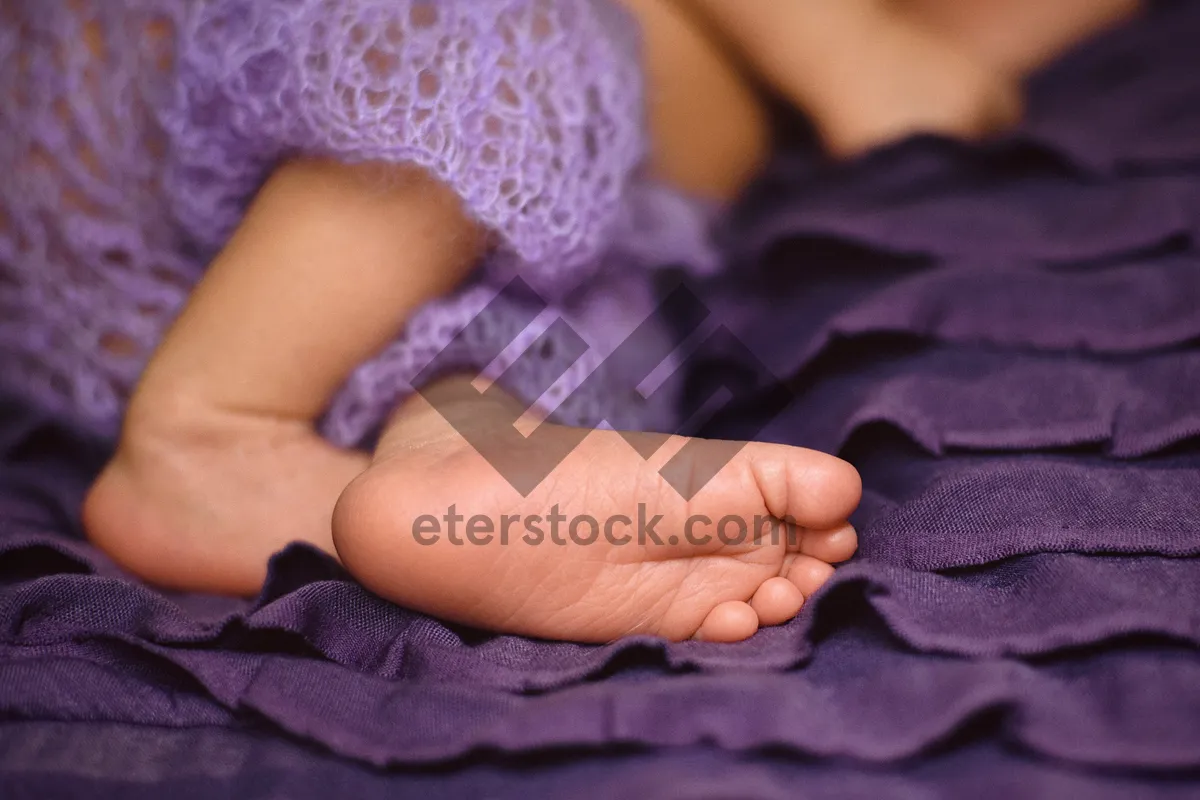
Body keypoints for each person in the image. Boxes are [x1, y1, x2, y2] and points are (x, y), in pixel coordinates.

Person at [0, 0, 1137, 643]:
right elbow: (896, 80)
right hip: (164, 127)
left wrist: (939, 62)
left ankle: (434, 462)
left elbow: (981, 53)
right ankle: (212, 427)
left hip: (381, 272)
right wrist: (853, 51)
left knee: (586, 322)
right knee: (477, 38)